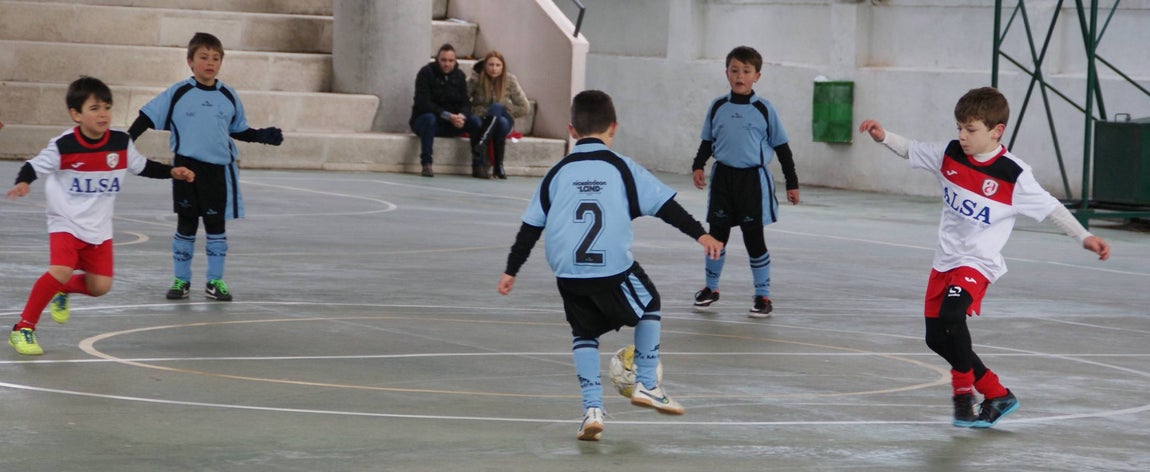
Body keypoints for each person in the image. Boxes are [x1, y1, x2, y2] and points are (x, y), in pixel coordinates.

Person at [858, 86, 1111, 428]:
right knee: (936, 338)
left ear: (996, 131)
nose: (962, 136)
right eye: (959, 128)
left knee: (952, 315)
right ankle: (997, 393)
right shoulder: (949, 154)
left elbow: (1052, 208)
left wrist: (1085, 236)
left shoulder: (1013, 174)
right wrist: (883, 136)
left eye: (970, 129)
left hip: (978, 262)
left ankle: (963, 394)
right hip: (945, 260)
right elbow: (912, 149)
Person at [497, 90, 724, 441]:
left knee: (584, 334)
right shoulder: (622, 167)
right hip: (611, 269)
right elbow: (666, 207)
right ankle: (647, 384)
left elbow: (530, 227)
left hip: (568, 273)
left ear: (572, 130)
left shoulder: (557, 172)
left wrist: (511, 269)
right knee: (650, 304)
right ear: (614, 128)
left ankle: (592, 410)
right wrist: (701, 234)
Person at [5, 76, 195, 355]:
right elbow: (33, 166)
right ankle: (23, 328)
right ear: (76, 114)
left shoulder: (120, 142)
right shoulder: (64, 145)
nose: (103, 114)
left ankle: (62, 289)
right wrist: (23, 182)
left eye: (107, 107)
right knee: (61, 270)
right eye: (94, 108)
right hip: (65, 221)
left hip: (99, 228)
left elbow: (142, 166)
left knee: (100, 287)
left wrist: (171, 172)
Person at [129, 32, 283, 302]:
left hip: (217, 172)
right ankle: (181, 280)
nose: (210, 62)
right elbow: (147, 116)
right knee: (186, 225)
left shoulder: (228, 95)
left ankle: (215, 281)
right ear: (190, 61)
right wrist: (125, 140)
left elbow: (239, 130)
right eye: (203, 57)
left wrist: (261, 136)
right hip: (186, 170)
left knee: (215, 226)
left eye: (216, 58)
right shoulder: (178, 92)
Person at [690, 46, 799, 318]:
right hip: (723, 179)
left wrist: (792, 183)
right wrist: (698, 165)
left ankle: (763, 295)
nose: (740, 76)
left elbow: (782, 148)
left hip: (752, 181)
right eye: (734, 70)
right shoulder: (718, 106)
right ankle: (711, 288)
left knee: (754, 239)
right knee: (716, 237)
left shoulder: (764, 109)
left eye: (746, 71)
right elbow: (707, 140)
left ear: (757, 76)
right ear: (726, 73)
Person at [410, 43, 482, 178]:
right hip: (427, 121)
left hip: (452, 122)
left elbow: (466, 102)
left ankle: (478, 165)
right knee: (429, 118)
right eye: (443, 60)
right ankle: (426, 164)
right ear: (437, 60)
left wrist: (461, 116)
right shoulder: (426, 73)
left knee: (475, 122)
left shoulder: (459, 76)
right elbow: (423, 103)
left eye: (450, 61)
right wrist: (448, 116)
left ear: (455, 61)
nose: (447, 64)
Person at [467, 50, 531, 179]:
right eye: (490, 65)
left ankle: (482, 143)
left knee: (498, 111)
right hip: (481, 117)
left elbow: (524, 107)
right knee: (477, 122)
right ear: (485, 66)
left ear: (503, 67)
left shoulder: (510, 80)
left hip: (504, 117)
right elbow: (463, 100)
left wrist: (504, 108)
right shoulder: (476, 79)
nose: (494, 69)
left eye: (498, 65)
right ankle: (493, 167)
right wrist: (481, 111)